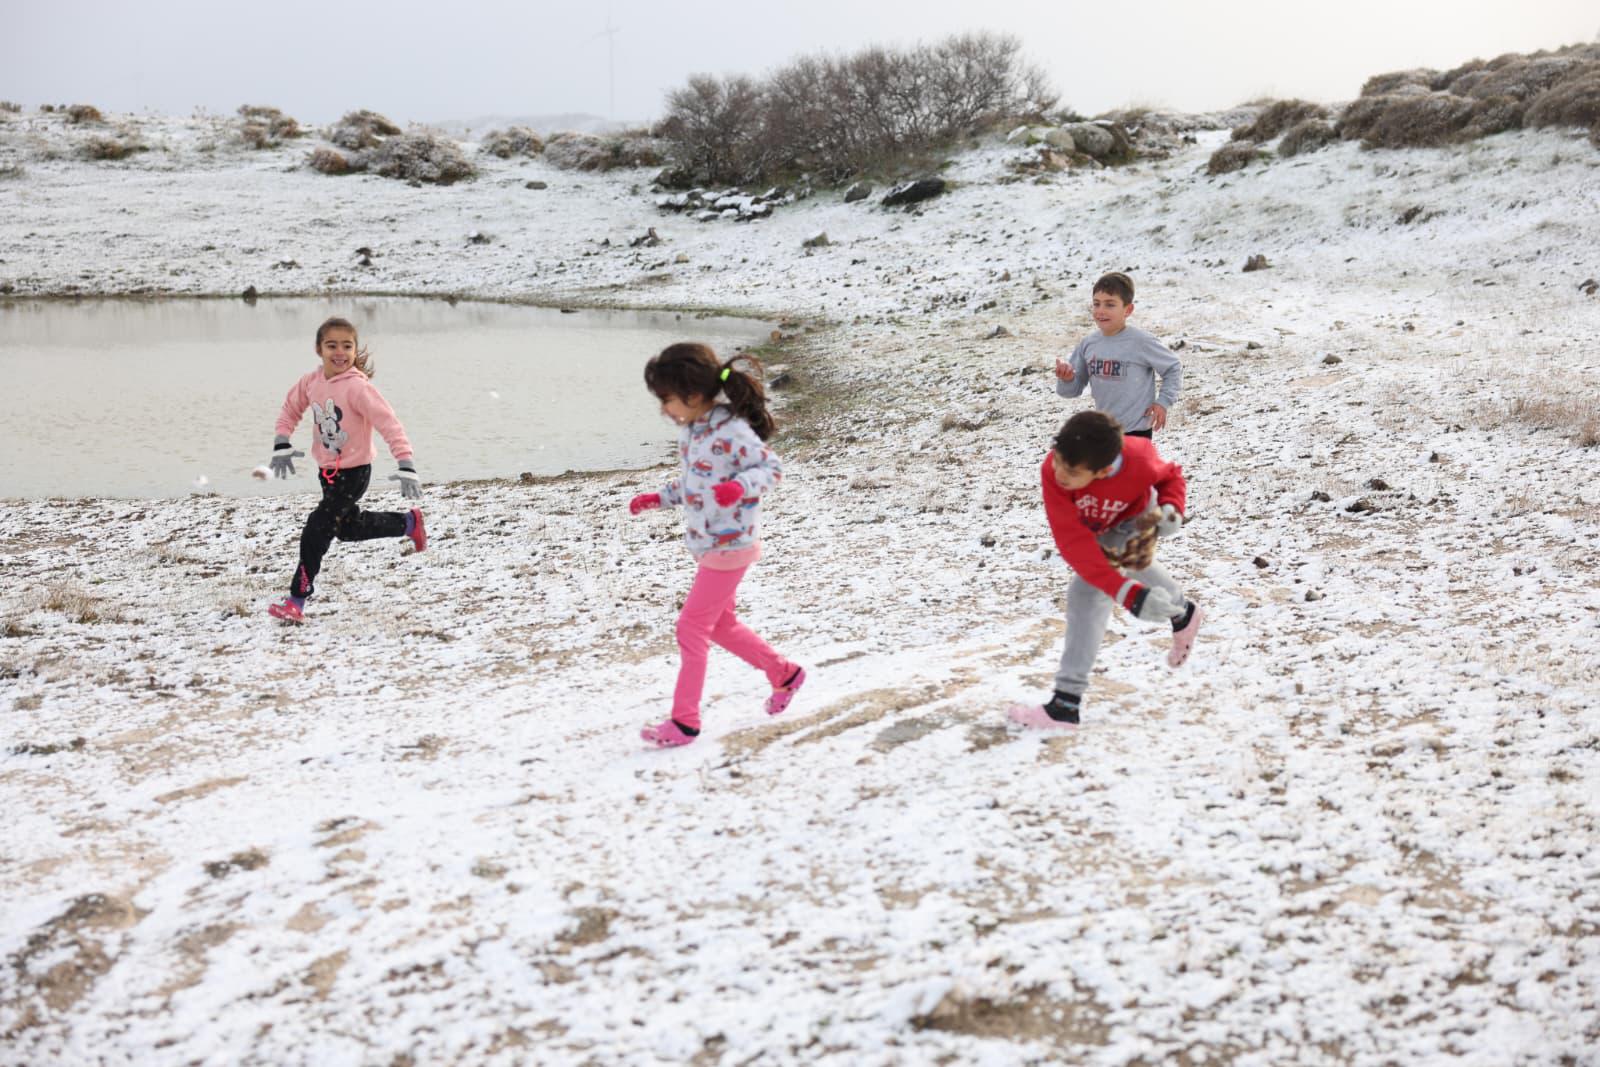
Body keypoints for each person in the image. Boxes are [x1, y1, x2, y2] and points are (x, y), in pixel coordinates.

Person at [628, 342, 805, 747]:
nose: (664, 410)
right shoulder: (694, 431)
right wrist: (660, 497)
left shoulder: (731, 430)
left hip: (731, 545)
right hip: (708, 543)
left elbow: (770, 468)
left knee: (691, 627)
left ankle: (685, 721)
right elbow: (696, 482)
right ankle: (785, 674)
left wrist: (739, 486)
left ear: (692, 395)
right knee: (720, 625)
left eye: (667, 400)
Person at [1009, 410, 1204, 729]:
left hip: (1132, 520)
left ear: (1101, 472)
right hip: (1091, 530)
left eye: (1071, 471)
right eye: (1057, 460)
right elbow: (1074, 544)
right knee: (1119, 569)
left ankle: (1065, 706)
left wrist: (1171, 509)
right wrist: (1128, 593)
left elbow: (1171, 475)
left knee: (1086, 594)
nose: (1059, 473)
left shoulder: (1138, 458)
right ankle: (1182, 612)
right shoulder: (1054, 470)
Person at [265, 316, 426, 623]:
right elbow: (290, 407)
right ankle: (408, 524)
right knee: (347, 529)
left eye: (347, 346)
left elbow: (388, 422)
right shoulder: (311, 382)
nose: (339, 352)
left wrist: (405, 461)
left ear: (354, 350)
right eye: (331, 345)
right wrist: (282, 440)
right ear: (318, 349)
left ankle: (297, 599)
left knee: (317, 527)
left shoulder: (357, 388)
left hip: (354, 473)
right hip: (327, 472)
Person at [1055, 271, 1182, 438]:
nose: (1101, 310)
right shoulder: (1088, 344)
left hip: (1137, 431)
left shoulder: (1141, 342)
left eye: (1110, 304)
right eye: (1096, 303)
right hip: (1104, 432)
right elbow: (1072, 391)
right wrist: (1067, 378)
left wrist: (1163, 402)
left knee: (1134, 466)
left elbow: (1173, 367)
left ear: (1128, 310)